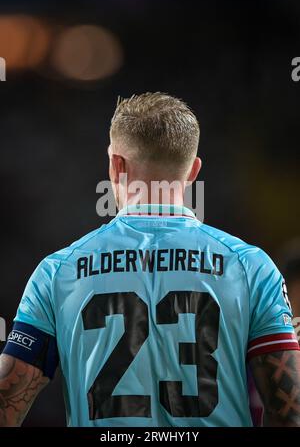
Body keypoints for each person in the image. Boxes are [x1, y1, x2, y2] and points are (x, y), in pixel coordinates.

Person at [0, 92, 299, 427]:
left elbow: (7, 403)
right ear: (193, 170)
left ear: (116, 165)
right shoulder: (251, 267)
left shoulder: (57, 272)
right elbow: (289, 412)